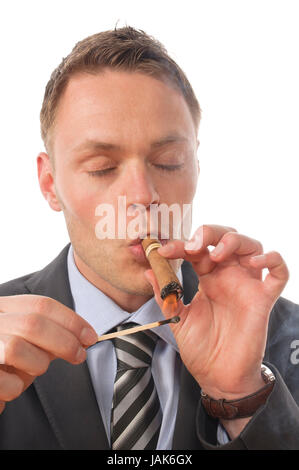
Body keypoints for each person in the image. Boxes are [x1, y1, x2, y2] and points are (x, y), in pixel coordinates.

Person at [0, 26, 298, 450]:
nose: (143, 196)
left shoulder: (286, 335)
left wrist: (241, 394)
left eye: (170, 162)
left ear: (196, 165)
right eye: (103, 167)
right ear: (49, 184)